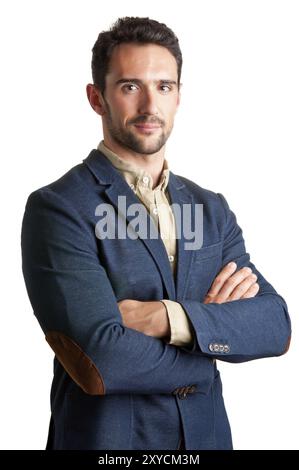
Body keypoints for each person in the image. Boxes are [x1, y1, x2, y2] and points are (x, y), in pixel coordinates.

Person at [21, 17, 291, 450]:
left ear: (179, 96)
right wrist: (210, 352)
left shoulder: (210, 209)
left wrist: (167, 317)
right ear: (97, 98)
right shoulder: (59, 207)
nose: (150, 105)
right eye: (130, 86)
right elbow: (100, 360)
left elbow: (275, 326)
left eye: (164, 86)